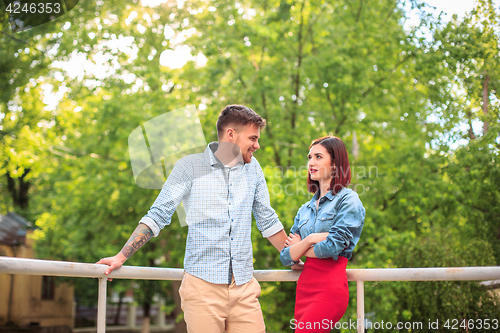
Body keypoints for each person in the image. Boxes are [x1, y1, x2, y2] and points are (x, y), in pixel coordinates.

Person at [97, 105, 295, 333]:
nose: (257, 145)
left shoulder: (253, 169)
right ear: (231, 134)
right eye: (253, 138)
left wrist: (294, 257)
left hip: (244, 288)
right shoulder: (189, 167)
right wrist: (121, 256)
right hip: (202, 289)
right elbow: (158, 215)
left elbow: (267, 220)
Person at [280, 136, 365, 332]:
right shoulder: (304, 209)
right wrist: (310, 239)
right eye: (310, 157)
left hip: (330, 287)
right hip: (304, 288)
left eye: (318, 157)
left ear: (335, 164)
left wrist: (299, 248)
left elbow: (333, 246)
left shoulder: (348, 200)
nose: (311, 163)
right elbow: (285, 256)